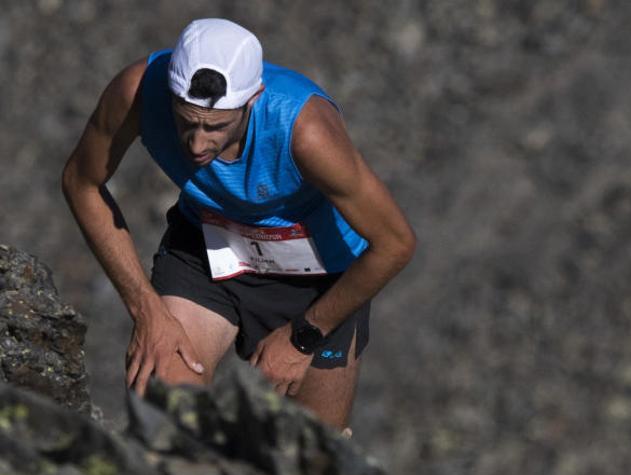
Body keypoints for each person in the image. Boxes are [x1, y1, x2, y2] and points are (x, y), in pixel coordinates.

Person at [61, 18, 416, 432]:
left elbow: (395, 243)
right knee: (164, 416)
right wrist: (147, 310)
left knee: (310, 460)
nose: (197, 144)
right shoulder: (137, 92)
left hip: (319, 279)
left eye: (215, 127)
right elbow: (80, 182)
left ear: (253, 100)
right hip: (208, 254)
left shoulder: (307, 132)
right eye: (185, 121)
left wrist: (305, 336)